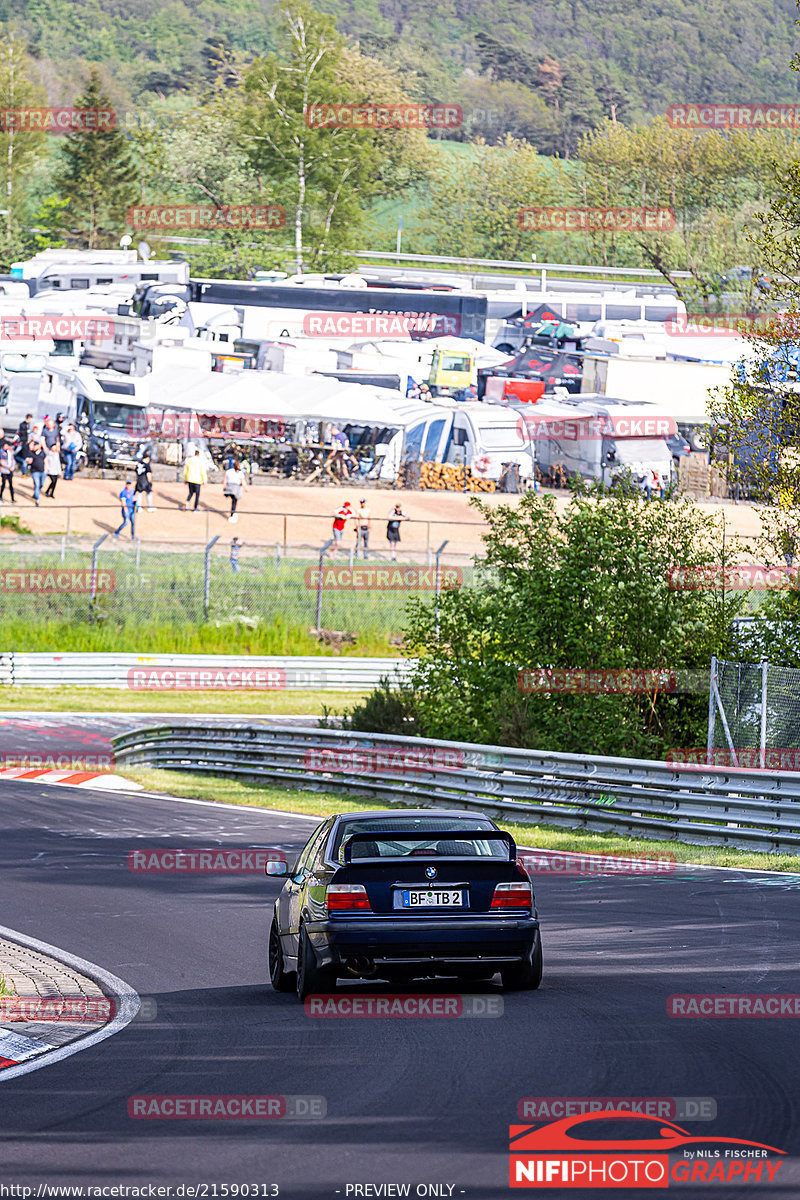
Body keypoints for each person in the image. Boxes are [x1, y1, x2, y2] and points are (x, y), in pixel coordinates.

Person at [223, 458, 246, 522]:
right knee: (234, 501)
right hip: (235, 489)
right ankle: (232, 514)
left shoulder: (228, 471)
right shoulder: (240, 473)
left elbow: (225, 480)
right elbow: (243, 481)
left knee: (233, 501)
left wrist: (224, 487)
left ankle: (233, 513)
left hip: (229, 488)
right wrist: (246, 488)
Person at [25, 439, 46, 506]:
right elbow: (28, 460)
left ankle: (35, 494)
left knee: (41, 484)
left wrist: (46, 470)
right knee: (37, 484)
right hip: (34, 471)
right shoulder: (31, 453)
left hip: (42, 471)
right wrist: (28, 461)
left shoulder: (43, 453)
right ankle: (37, 499)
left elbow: (46, 461)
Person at [0, 437, 15, 504]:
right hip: (4, 470)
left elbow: (13, 460)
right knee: (3, 484)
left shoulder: (10, 452)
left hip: (10, 471)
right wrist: (9, 467)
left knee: (11, 485)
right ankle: (1, 496)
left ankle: (12, 498)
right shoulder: (1, 452)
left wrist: (13, 467)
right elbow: (2, 461)